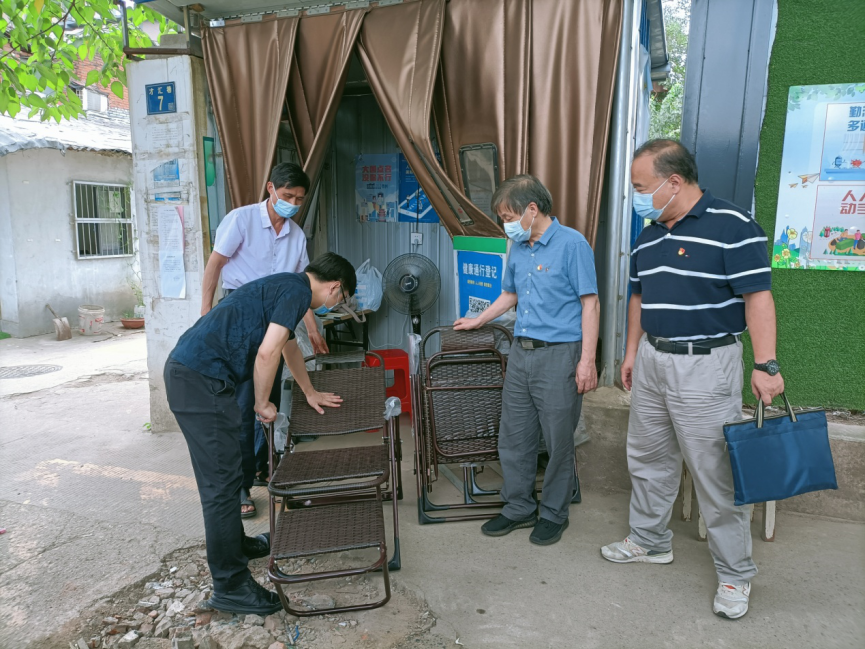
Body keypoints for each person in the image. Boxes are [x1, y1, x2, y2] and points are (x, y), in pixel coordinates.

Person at [600, 139, 785, 620]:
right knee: (648, 456)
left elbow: (757, 299)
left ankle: (735, 574)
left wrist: (766, 366)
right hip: (654, 362)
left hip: (705, 364)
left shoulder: (734, 227)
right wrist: (631, 352)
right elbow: (638, 299)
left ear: (673, 181)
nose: (637, 195)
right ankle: (649, 540)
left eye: (642, 186)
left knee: (714, 470)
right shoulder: (648, 236)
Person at [164, 253, 356, 615]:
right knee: (221, 488)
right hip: (199, 380)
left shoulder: (289, 286)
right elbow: (267, 354)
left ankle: (236, 545)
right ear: (335, 287)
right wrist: (263, 402)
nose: (335, 305)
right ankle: (231, 587)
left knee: (230, 470)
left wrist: (309, 391)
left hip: (196, 375)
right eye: (340, 299)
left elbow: (287, 346)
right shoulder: (297, 293)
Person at [454, 174, 600, 546]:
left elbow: (590, 304)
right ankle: (518, 507)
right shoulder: (518, 248)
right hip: (521, 353)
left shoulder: (573, 245)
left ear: (531, 210)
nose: (505, 224)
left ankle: (553, 513)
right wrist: (478, 319)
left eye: (508, 216)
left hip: (560, 355)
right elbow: (509, 295)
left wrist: (587, 360)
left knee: (557, 440)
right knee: (514, 436)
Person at [200, 162, 329, 519]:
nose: (292, 203)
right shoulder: (240, 220)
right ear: (270, 188)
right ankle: (240, 485)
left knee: (269, 400)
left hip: (278, 316)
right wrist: (206, 310)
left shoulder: (297, 236)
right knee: (243, 404)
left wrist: (313, 328)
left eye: (299, 199)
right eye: (287, 195)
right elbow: (215, 264)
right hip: (240, 314)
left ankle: (262, 465)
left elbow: (300, 288)